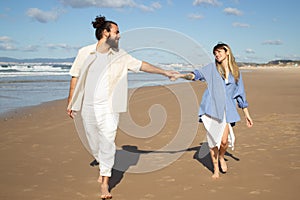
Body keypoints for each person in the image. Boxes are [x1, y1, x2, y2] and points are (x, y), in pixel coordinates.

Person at [66, 15, 178, 199]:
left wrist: (165, 72)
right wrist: (71, 101)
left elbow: (141, 65)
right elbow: (75, 76)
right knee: (94, 142)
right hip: (88, 106)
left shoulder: (120, 55)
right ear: (105, 33)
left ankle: (104, 183)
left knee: (108, 142)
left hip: (110, 107)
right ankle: (103, 163)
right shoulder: (85, 52)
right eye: (117, 32)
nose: (119, 35)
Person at [173, 43, 253, 179]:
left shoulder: (235, 72)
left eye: (219, 52)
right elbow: (195, 75)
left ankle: (221, 157)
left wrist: (247, 114)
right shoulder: (211, 69)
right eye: (215, 53)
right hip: (211, 109)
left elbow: (240, 94)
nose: (217, 55)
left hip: (226, 110)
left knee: (223, 142)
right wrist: (180, 76)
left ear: (227, 52)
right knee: (213, 141)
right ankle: (215, 169)